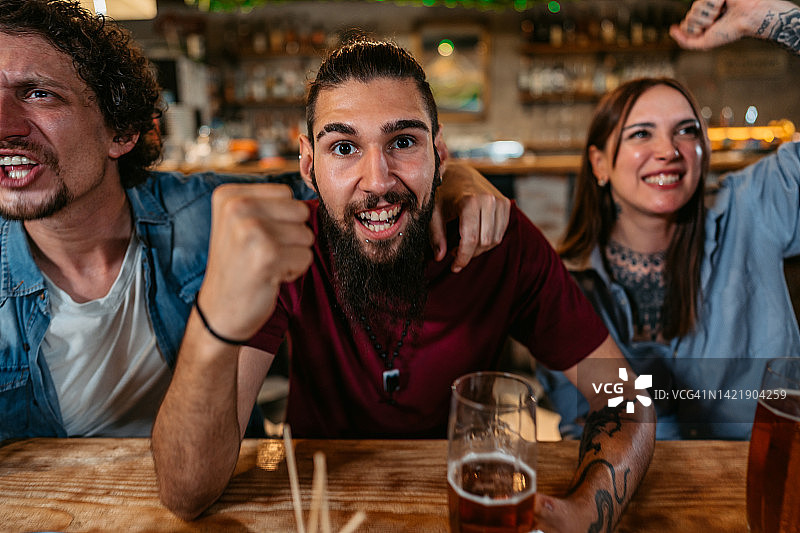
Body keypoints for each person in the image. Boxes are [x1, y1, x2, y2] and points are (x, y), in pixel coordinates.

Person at [151, 39, 655, 530]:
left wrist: (588, 514)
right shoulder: (286, 251)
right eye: (344, 147)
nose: (377, 180)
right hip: (316, 507)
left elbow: (626, 401)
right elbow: (186, 492)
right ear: (308, 164)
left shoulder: (500, 242)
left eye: (404, 142)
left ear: (440, 153)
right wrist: (212, 316)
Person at [0, 0, 509, 441]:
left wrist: (452, 175)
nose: (4, 124)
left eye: (39, 93)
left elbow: (346, 188)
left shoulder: (213, 212)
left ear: (123, 131)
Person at [538, 0, 800, 441]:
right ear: (600, 165)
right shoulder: (560, 289)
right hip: (636, 501)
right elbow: (582, 438)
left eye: (687, 130)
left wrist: (767, 17)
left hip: (768, 483)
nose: (669, 150)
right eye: (641, 133)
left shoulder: (755, 206)